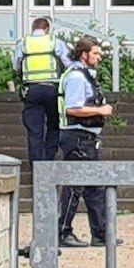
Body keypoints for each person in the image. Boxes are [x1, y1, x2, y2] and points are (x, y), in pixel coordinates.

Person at [57, 35, 113, 247]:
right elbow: (73, 108)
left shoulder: (83, 75)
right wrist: (101, 110)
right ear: (84, 54)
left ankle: (100, 234)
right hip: (77, 137)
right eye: (96, 53)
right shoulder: (77, 78)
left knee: (93, 186)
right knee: (75, 186)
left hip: (85, 137)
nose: (99, 57)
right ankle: (63, 232)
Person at [14, 16, 70, 164]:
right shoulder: (54, 42)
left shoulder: (23, 43)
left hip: (31, 90)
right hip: (53, 89)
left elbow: (16, 65)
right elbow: (68, 63)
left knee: (34, 129)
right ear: (47, 29)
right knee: (54, 124)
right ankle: (49, 158)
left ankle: (37, 163)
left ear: (33, 28)